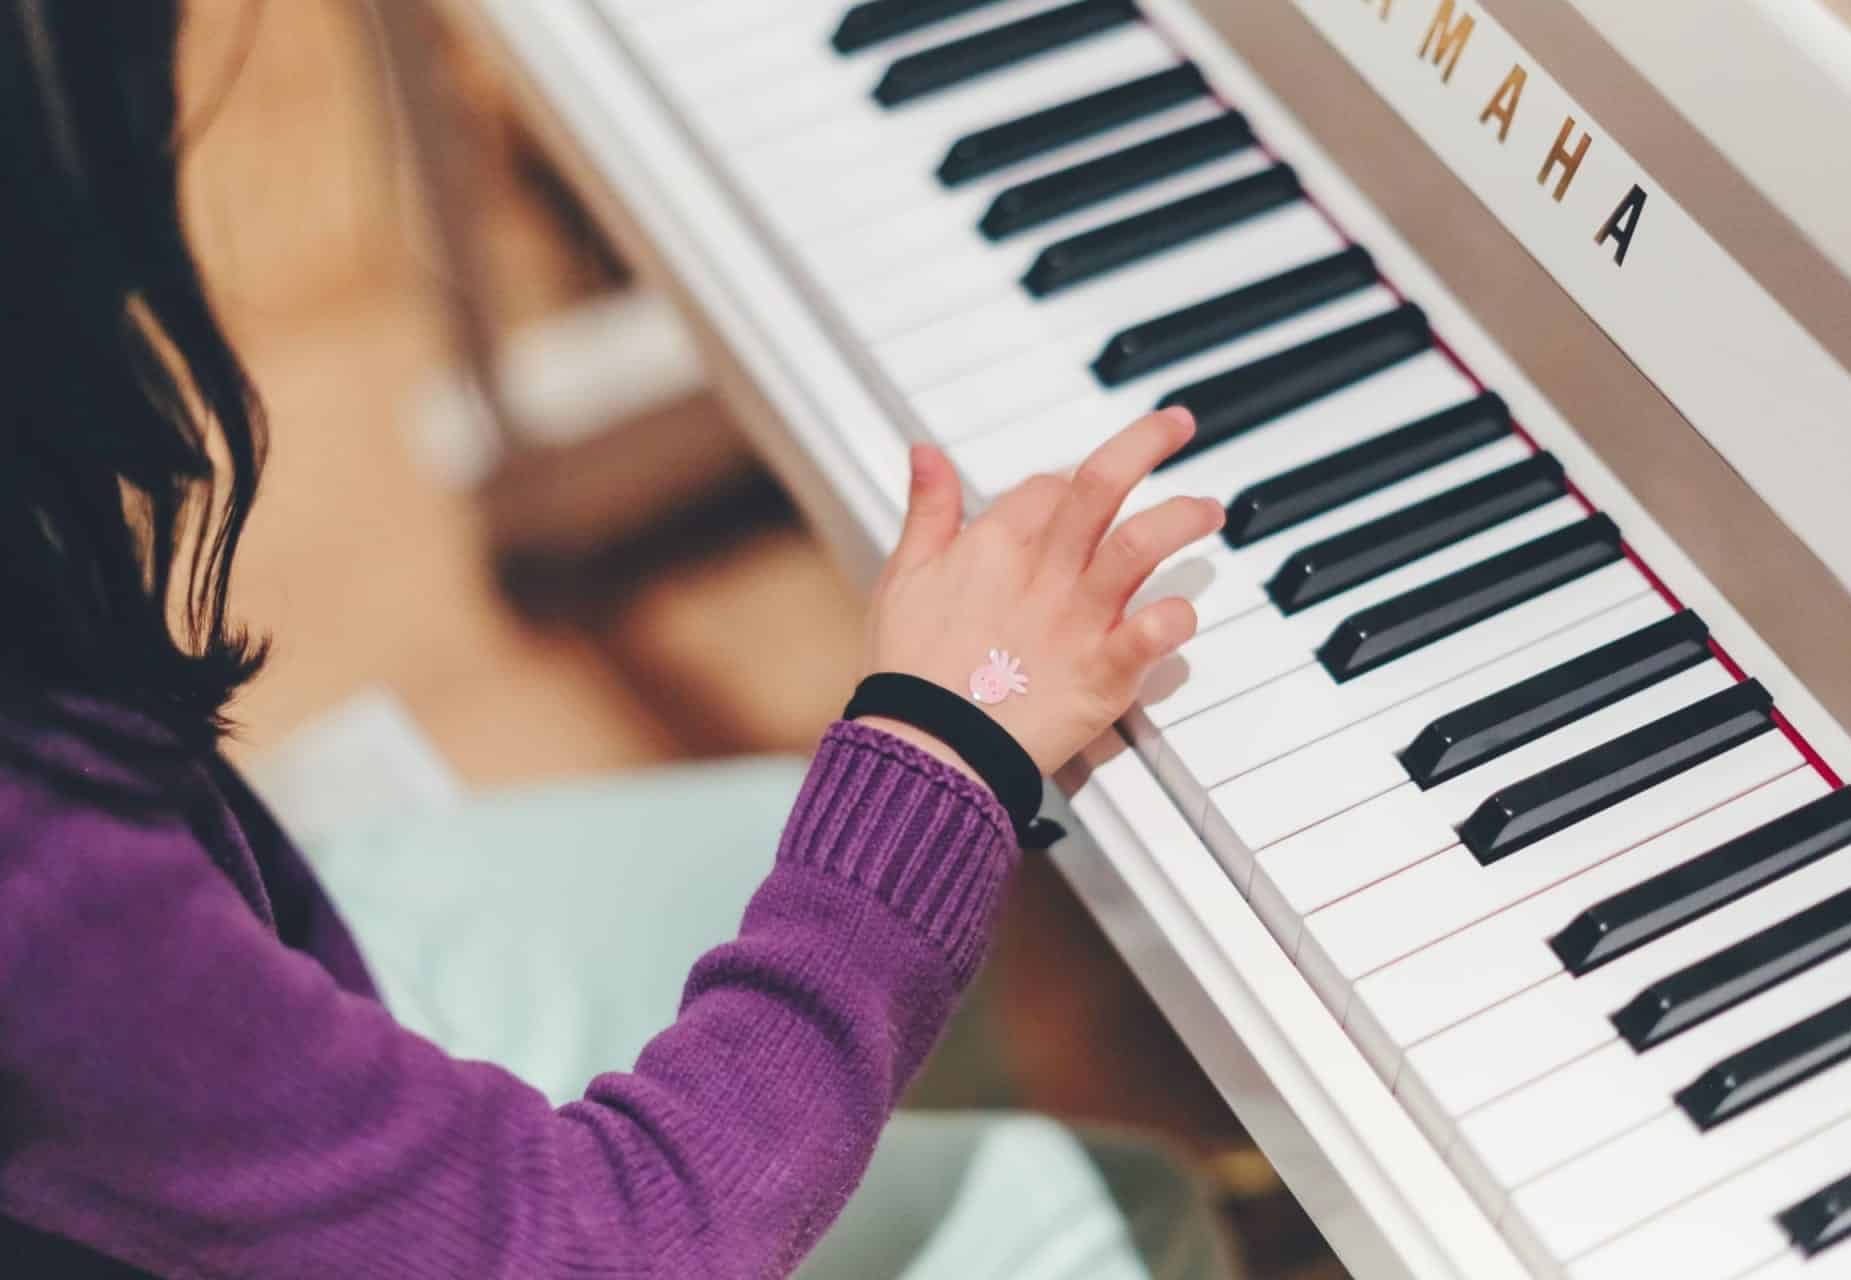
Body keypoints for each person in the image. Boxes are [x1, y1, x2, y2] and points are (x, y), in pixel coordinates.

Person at [0, 3, 1235, 1277]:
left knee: (853, 872)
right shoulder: (34, 859)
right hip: (375, 1155)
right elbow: (608, 1244)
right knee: (1117, 1210)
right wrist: (949, 734)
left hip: (255, 965)